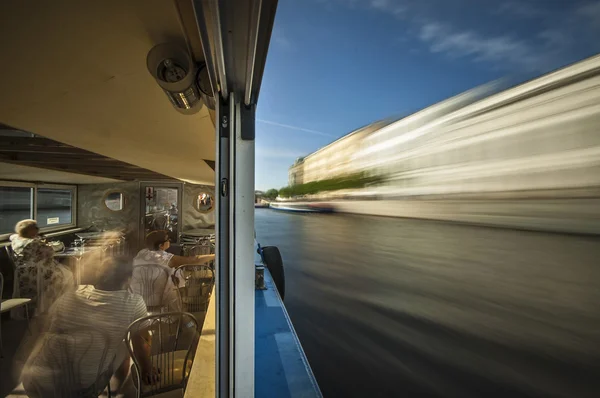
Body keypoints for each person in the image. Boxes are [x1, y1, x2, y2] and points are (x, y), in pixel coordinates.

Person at [21, 256, 156, 397]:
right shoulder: (133, 302)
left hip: (36, 379)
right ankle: (112, 393)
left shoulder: (72, 293)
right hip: (80, 386)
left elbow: (48, 330)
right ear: (129, 278)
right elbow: (141, 344)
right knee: (125, 349)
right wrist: (147, 368)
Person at [132, 230, 215, 311]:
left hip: (140, 300)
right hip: (162, 301)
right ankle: (185, 321)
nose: (170, 241)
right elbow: (194, 260)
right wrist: (215, 255)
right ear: (161, 245)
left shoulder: (141, 253)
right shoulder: (164, 258)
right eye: (168, 239)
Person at [10, 219, 74, 314]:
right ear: (29, 230)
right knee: (67, 275)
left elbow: (13, 236)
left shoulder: (15, 239)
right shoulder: (34, 242)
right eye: (35, 228)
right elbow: (51, 251)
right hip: (37, 272)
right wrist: (48, 244)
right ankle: (55, 306)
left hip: (21, 272)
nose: (38, 230)